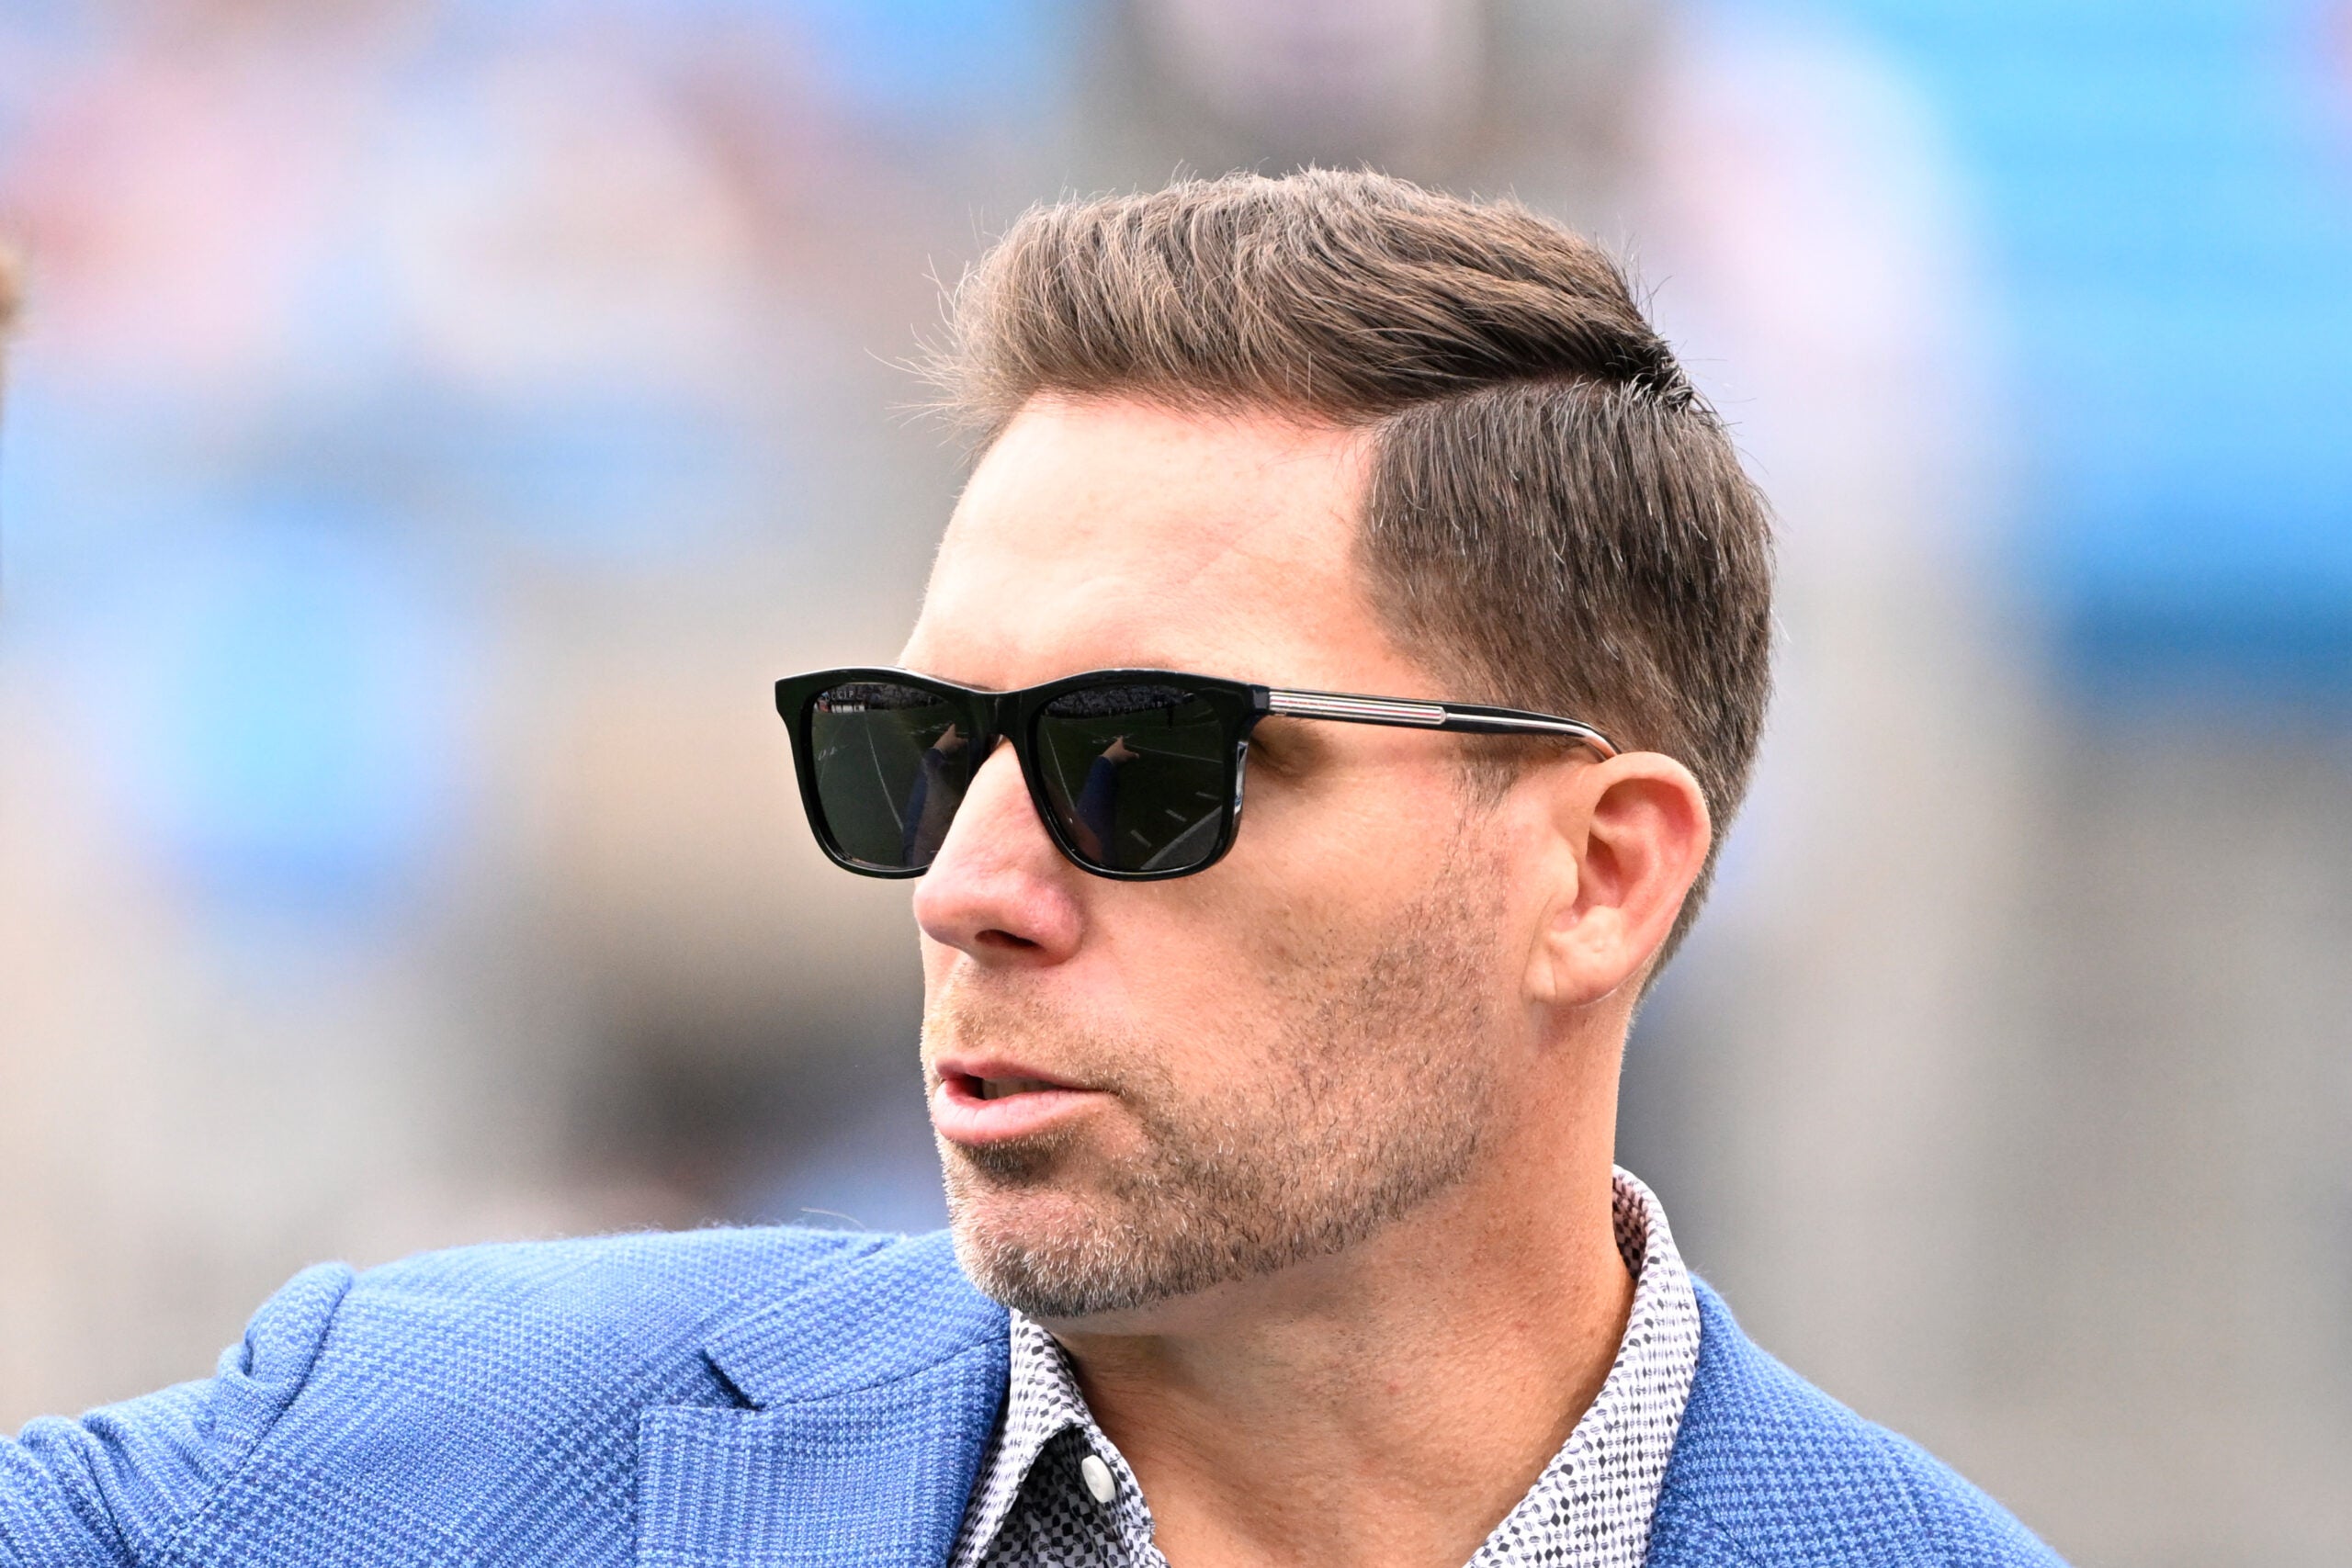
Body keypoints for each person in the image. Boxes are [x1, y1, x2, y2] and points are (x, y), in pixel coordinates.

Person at [0, 172, 2064, 1567]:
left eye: (1138, 765)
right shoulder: (445, 1445)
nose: (962, 886)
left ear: (1596, 875)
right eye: (915, 753)